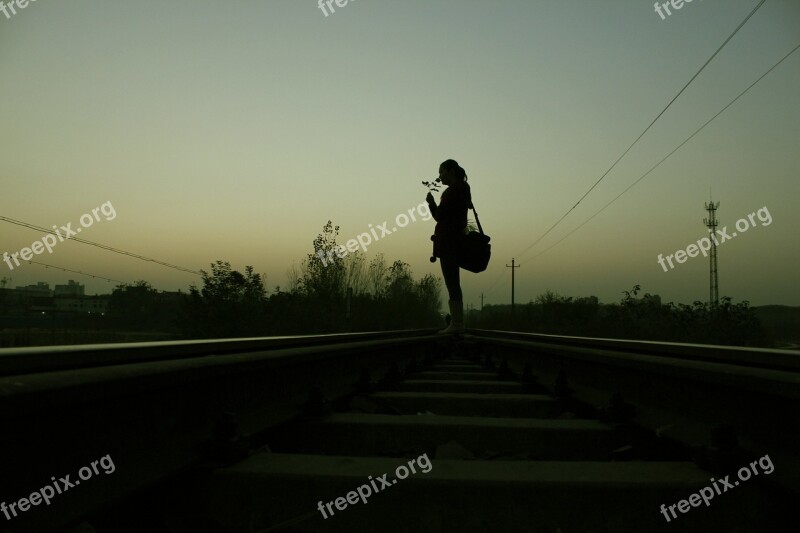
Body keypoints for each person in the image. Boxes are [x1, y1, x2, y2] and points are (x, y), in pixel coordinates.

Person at [426, 159, 471, 334]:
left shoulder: (453, 191)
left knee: (452, 282)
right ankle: (457, 323)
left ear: (451, 171)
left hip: (449, 243)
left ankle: (457, 325)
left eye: (442, 172)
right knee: (454, 282)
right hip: (456, 241)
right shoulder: (464, 189)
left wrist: (431, 203)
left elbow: (439, 216)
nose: (439, 176)